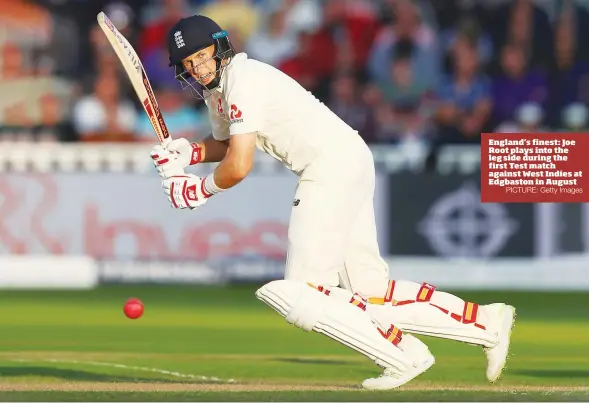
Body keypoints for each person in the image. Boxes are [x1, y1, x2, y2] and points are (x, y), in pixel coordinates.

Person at [149, 14, 516, 390]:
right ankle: (485, 322)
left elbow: (240, 165)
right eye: (189, 63)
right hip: (348, 157)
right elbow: (230, 145)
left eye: (202, 55)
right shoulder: (221, 90)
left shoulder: (242, 81)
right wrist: (189, 152)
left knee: (301, 290)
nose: (197, 67)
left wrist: (198, 191)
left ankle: (403, 355)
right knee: (369, 289)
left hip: (329, 166)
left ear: (220, 45)